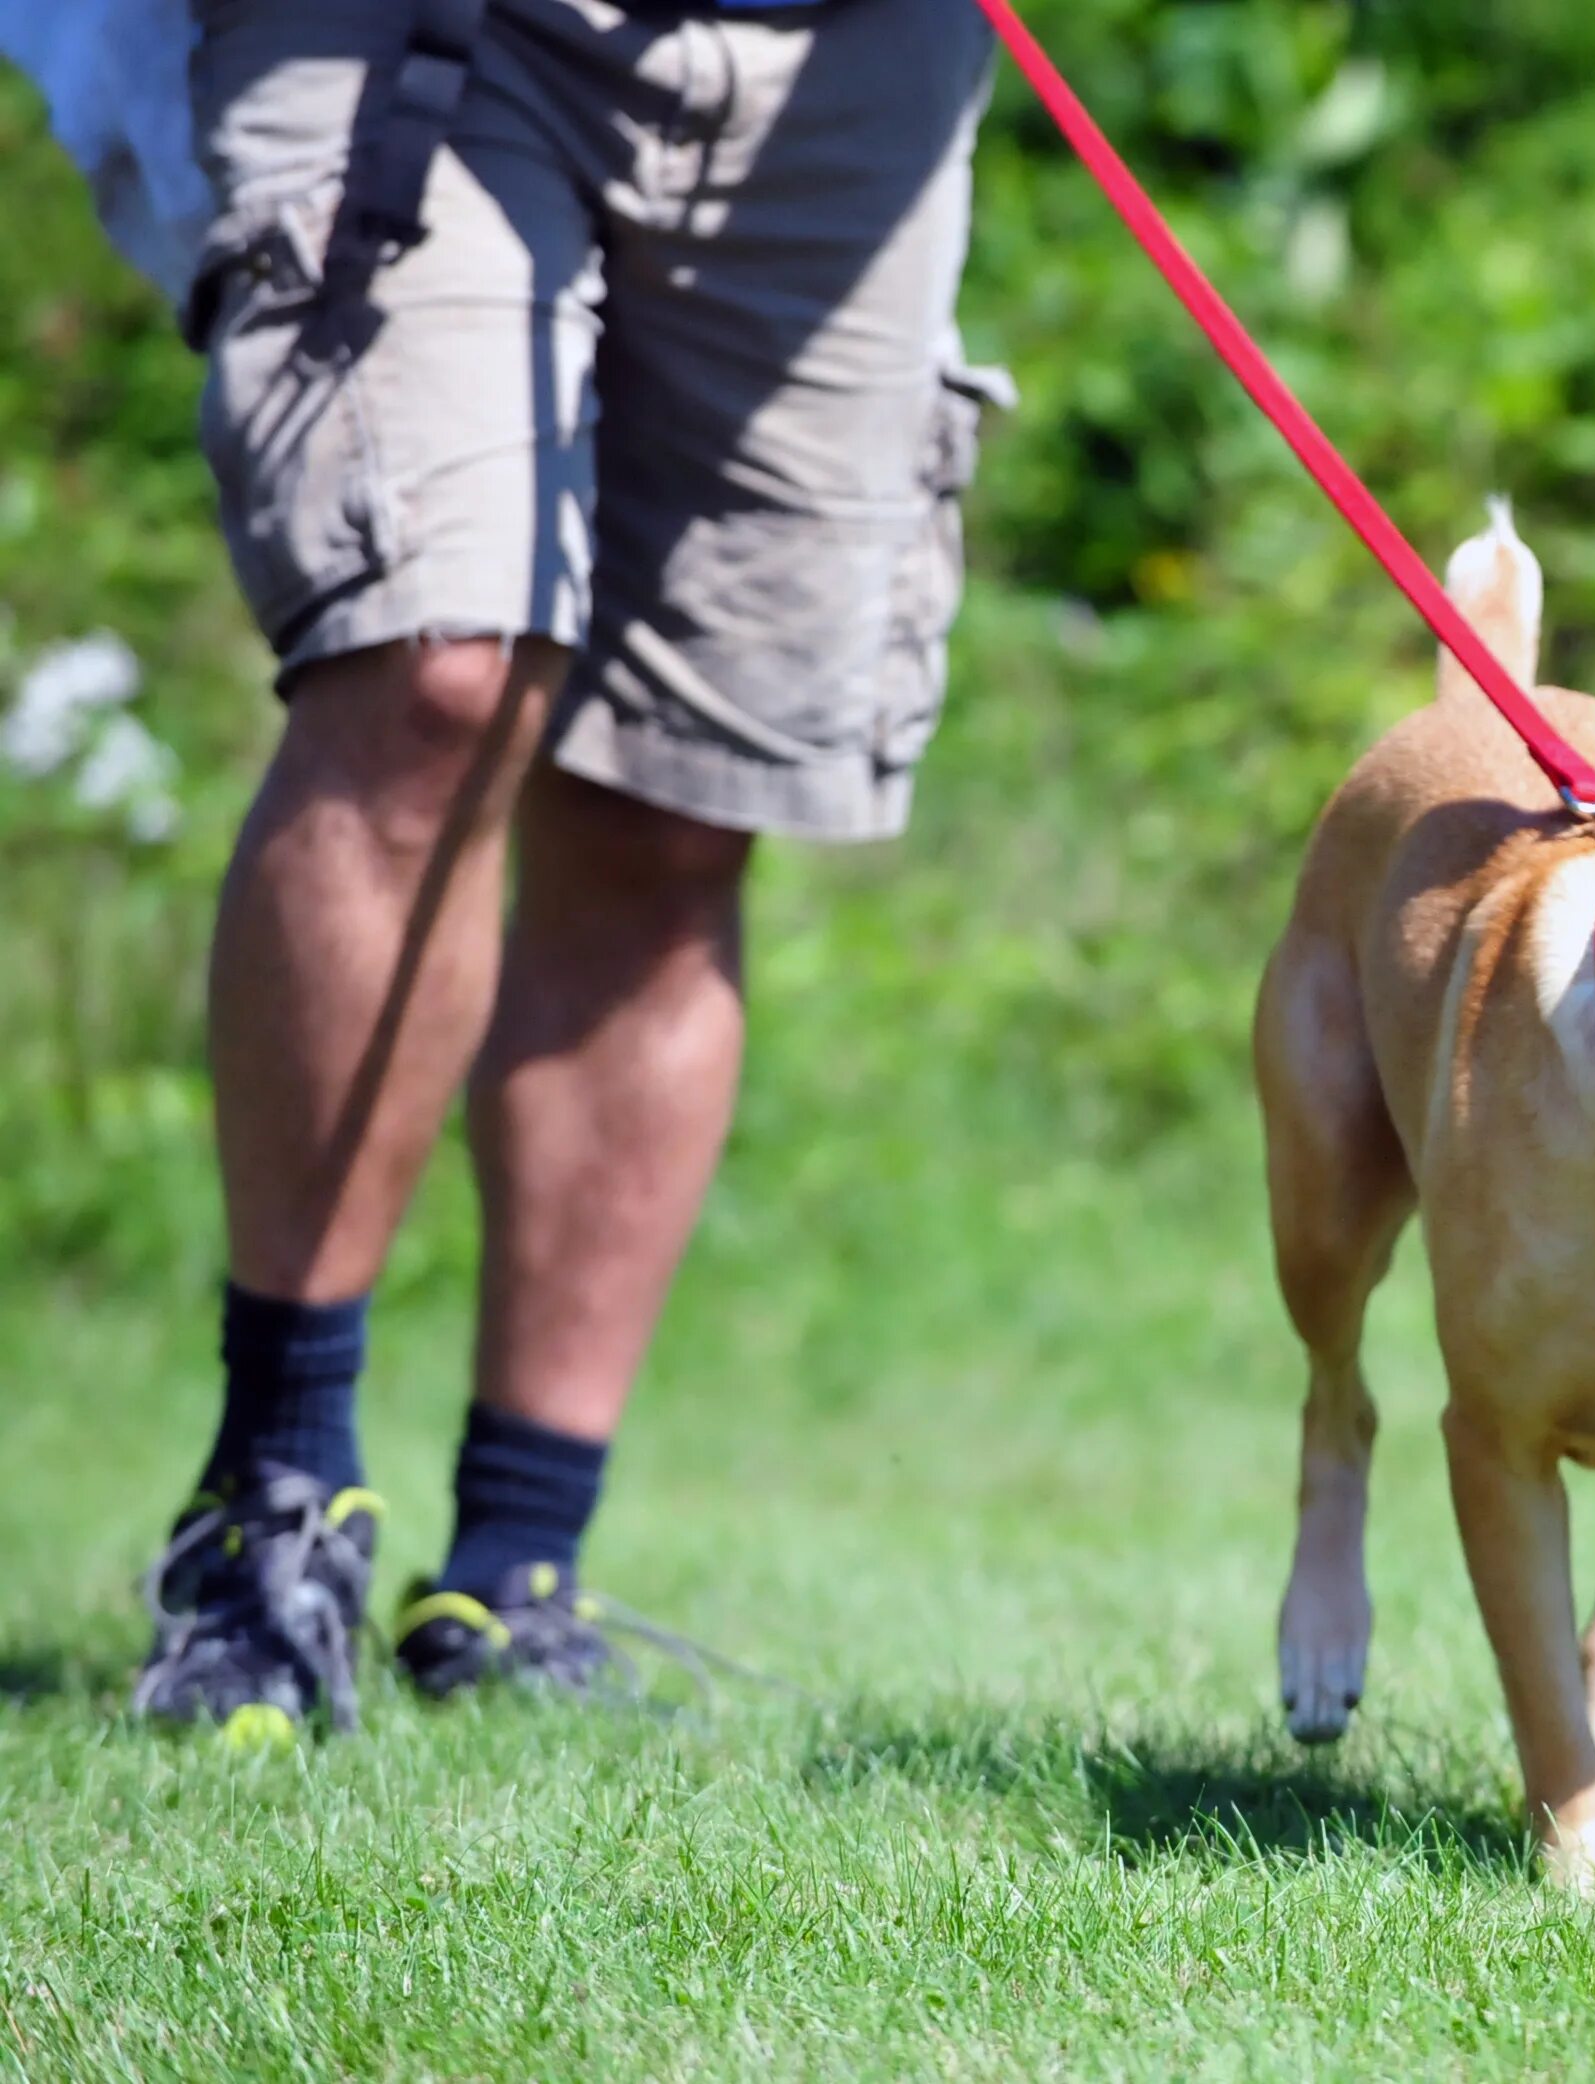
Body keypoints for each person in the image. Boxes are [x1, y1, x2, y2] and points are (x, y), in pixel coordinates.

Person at [129, 0, 1005, 1740]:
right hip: (431, 32)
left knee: (681, 804)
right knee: (434, 663)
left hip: (849, 69)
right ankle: (273, 1509)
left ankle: (515, 1575)